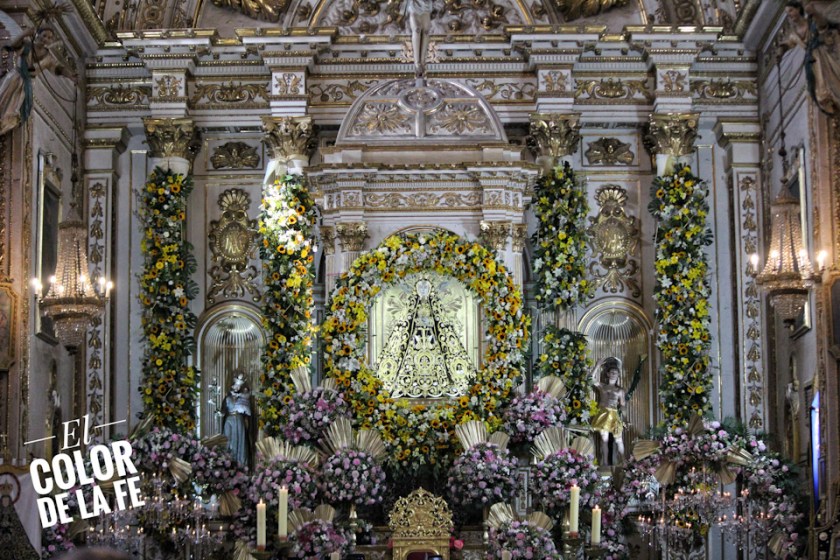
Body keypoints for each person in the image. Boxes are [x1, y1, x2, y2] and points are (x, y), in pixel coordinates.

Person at [0, 25, 75, 136]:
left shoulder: (49, 58)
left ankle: (4, 124)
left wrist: (70, 75)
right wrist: (24, 34)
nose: (46, 39)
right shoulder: (27, 46)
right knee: (3, 99)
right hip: (15, 78)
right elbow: (14, 46)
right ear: (37, 35)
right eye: (44, 35)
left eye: (49, 38)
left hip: (27, 85)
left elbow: (59, 68)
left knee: (16, 109)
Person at [780, 1, 840, 116]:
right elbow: (789, 43)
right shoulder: (794, 33)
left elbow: (822, 25)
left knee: (834, 78)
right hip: (813, 61)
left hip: (824, 54)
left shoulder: (811, 22)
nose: (790, 15)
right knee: (820, 91)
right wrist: (781, 50)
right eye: (787, 13)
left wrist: (815, 13)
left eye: (791, 11)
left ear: (798, 9)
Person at [591, 357, 625, 465]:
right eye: (612, 372)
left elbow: (622, 405)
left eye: (616, 373)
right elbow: (590, 379)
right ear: (608, 374)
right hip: (603, 414)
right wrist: (597, 365)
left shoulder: (620, 390)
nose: (614, 374)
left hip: (614, 414)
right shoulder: (603, 386)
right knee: (604, 440)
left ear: (618, 375)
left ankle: (624, 463)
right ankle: (605, 464)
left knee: (618, 439)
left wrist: (623, 418)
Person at [222, 371, 252, 467]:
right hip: (229, 420)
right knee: (229, 439)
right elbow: (223, 410)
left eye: (239, 386)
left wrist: (247, 422)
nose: (237, 388)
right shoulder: (227, 398)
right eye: (236, 385)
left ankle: (241, 463)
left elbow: (247, 413)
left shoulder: (243, 398)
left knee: (240, 440)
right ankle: (229, 461)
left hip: (239, 420)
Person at [405, 0, 434, 78]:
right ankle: (417, 63)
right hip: (414, 6)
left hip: (426, 6)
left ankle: (422, 62)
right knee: (416, 29)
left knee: (426, 32)